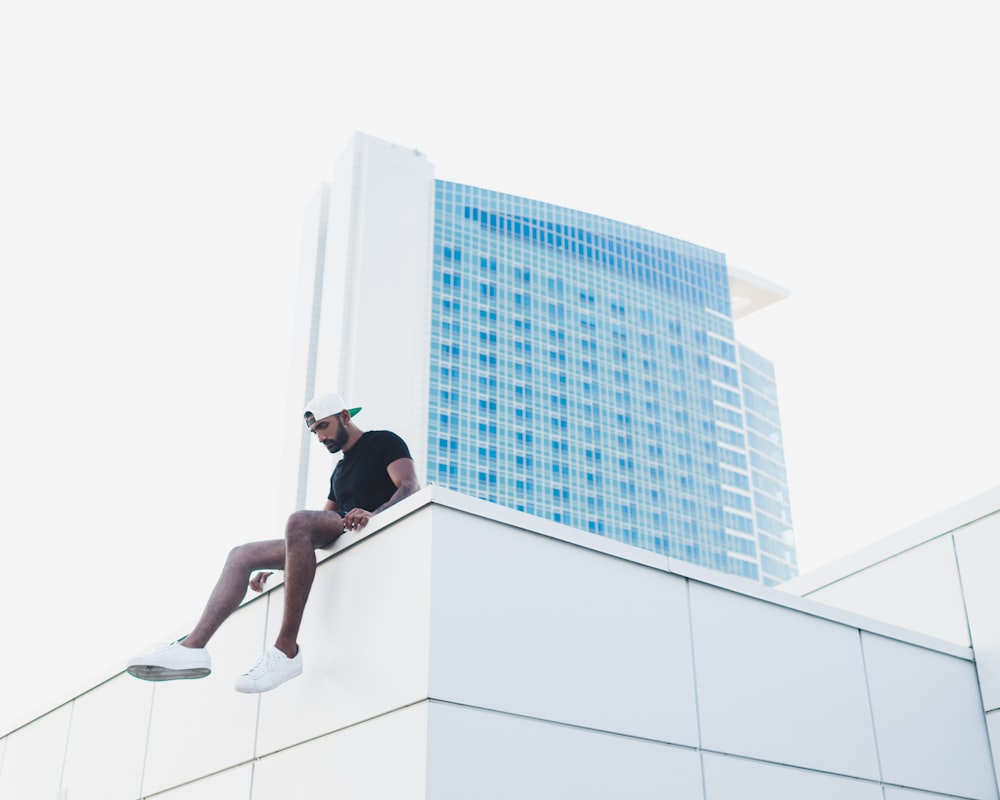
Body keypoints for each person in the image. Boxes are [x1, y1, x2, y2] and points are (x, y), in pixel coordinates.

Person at [127, 392, 420, 693]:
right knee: (241, 555)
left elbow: (410, 486)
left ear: (344, 417)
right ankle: (193, 648)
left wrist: (373, 514)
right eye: (314, 431)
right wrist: (283, 565)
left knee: (297, 521)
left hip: (364, 525)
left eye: (323, 426)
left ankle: (286, 650)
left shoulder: (383, 441)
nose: (320, 437)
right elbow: (318, 526)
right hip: (340, 528)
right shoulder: (340, 472)